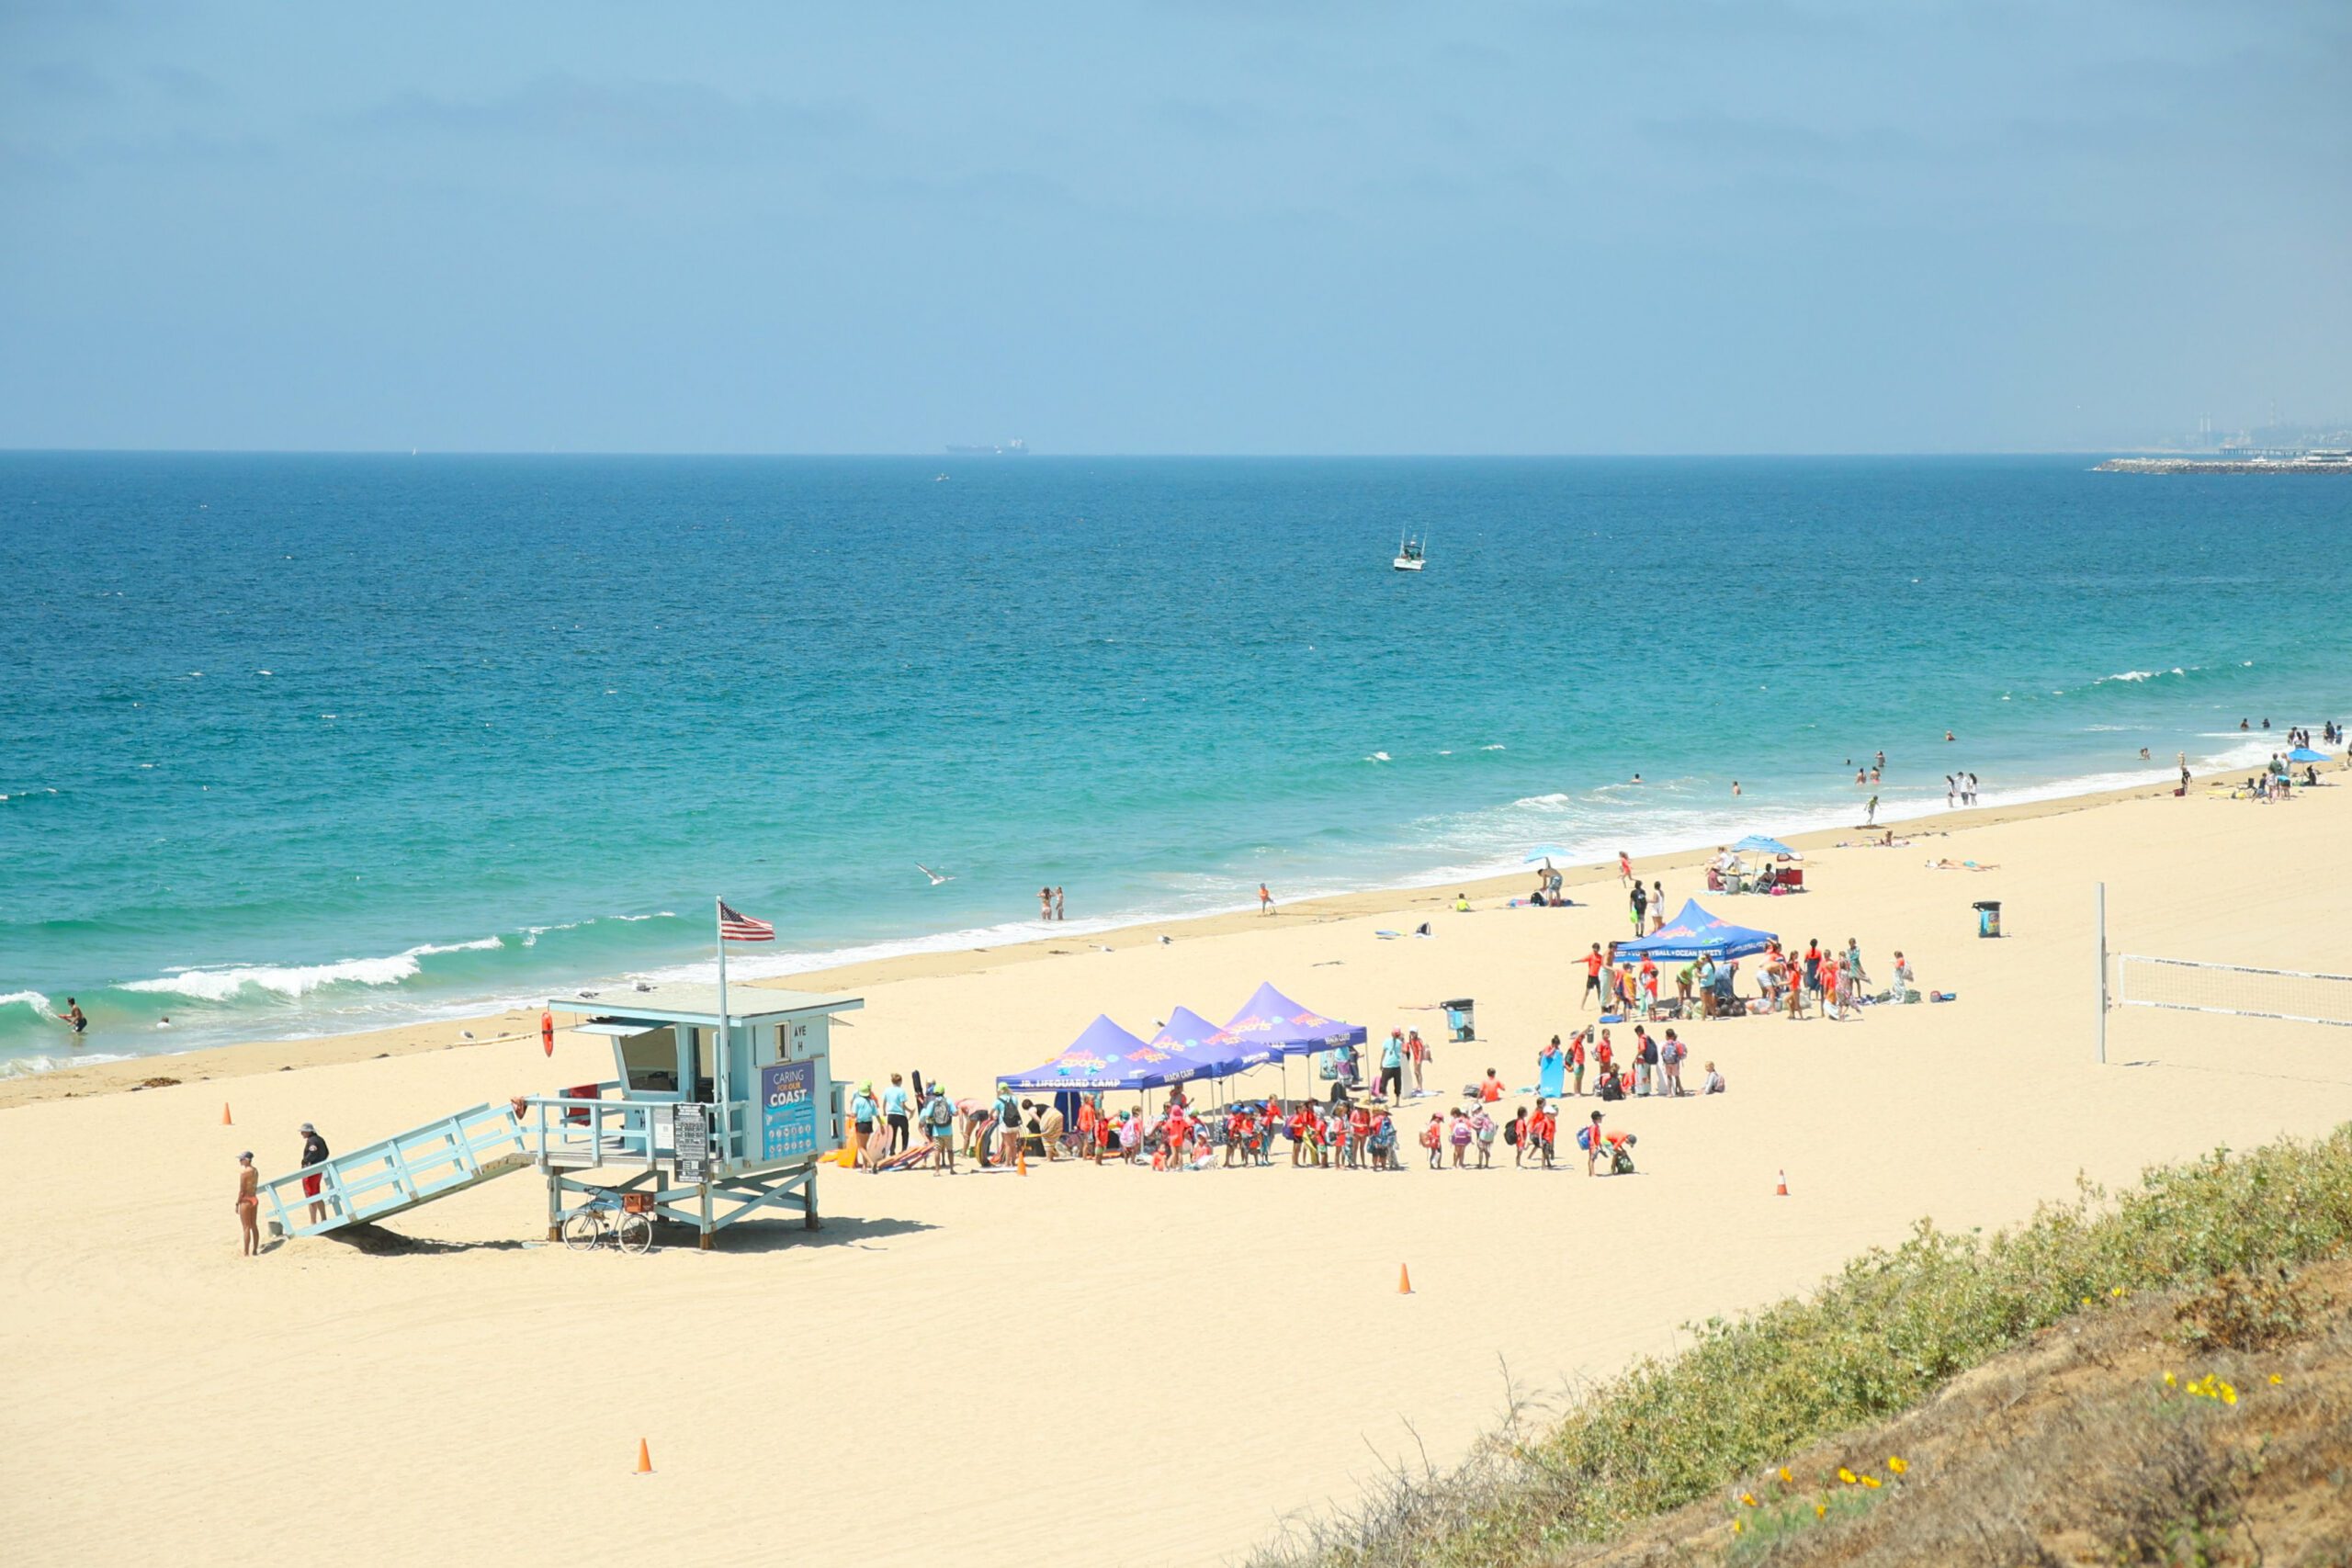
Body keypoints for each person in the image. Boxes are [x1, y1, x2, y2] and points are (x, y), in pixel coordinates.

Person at [298, 1122, 330, 1225]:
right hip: (318, 1170)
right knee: (317, 1194)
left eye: (303, 1131)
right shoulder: (320, 1139)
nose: (301, 1133)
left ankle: (313, 1222)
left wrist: (306, 1161)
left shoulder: (312, 1141)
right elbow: (327, 1153)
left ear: (308, 1131)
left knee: (310, 1196)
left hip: (311, 1171)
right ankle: (324, 1218)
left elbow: (312, 1152)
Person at [850, 1082, 883, 1171]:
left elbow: (854, 1115)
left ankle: (871, 1164)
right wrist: (881, 1125)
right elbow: (877, 1115)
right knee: (864, 1146)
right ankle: (864, 1168)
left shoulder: (857, 1101)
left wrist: (846, 1114)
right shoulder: (871, 1101)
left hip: (861, 1124)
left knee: (861, 1147)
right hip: (869, 1125)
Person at [235, 1151, 260, 1257]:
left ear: (247, 1160)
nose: (240, 1161)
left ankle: (246, 1252)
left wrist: (237, 1203)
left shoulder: (244, 1173)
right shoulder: (255, 1171)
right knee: (254, 1225)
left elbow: (242, 1190)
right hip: (254, 1198)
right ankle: (254, 1250)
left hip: (246, 1199)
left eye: (241, 1159)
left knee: (246, 1227)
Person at [882, 1073, 912, 1156]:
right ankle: (904, 1149)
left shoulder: (887, 1090)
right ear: (900, 1081)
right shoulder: (901, 1091)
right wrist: (910, 1111)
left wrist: (884, 1111)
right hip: (900, 1115)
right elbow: (902, 1105)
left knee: (892, 1134)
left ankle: (892, 1151)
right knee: (905, 1132)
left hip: (891, 1115)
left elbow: (884, 1102)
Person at [1379, 1029, 1407, 1100]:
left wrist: (1403, 1041)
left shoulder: (1399, 1043)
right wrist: (1381, 1063)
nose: (1396, 1036)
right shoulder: (1387, 1041)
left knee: (1397, 1084)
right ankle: (1382, 1097)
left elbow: (1403, 1052)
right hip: (1388, 1065)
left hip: (1396, 1065)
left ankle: (1397, 1101)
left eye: (1397, 1034)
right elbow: (1384, 1053)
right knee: (1383, 1083)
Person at [1659, 1028, 1687, 1096]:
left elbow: (1662, 1052)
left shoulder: (1665, 1044)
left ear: (1667, 1036)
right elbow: (1681, 1053)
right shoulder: (1677, 1044)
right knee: (1677, 1076)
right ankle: (1681, 1091)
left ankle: (1669, 1093)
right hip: (1675, 1062)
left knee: (1669, 1077)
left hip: (1667, 1063)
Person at [1582, 1110, 1608, 1177]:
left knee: (1592, 1158)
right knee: (1592, 1159)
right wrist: (1594, 1146)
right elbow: (1592, 1137)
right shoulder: (1593, 1127)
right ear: (1597, 1119)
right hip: (1593, 1145)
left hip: (1595, 1144)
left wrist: (1599, 1144)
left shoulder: (1596, 1126)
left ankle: (1591, 1173)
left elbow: (1597, 1137)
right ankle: (1592, 1173)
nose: (1601, 1119)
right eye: (1600, 1118)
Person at [1582, 942, 1607, 1009]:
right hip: (1591, 976)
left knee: (1599, 992)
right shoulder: (1591, 956)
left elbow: (1604, 965)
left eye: (1596, 949)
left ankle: (1602, 1007)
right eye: (1594, 949)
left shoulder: (1600, 957)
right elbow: (1583, 960)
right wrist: (1575, 961)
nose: (1595, 951)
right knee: (1587, 992)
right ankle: (1582, 1006)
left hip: (1598, 976)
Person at [1406, 1028, 1429, 1092]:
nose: (1412, 1034)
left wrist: (1419, 1059)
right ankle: (1418, 1085)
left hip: (1418, 1058)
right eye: (1411, 1032)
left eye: (1413, 1033)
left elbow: (1420, 1050)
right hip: (1415, 1058)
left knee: (1418, 1072)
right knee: (1415, 1072)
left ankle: (1420, 1086)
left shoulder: (1418, 1041)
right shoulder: (1412, 1040)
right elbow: (1410, 1044)